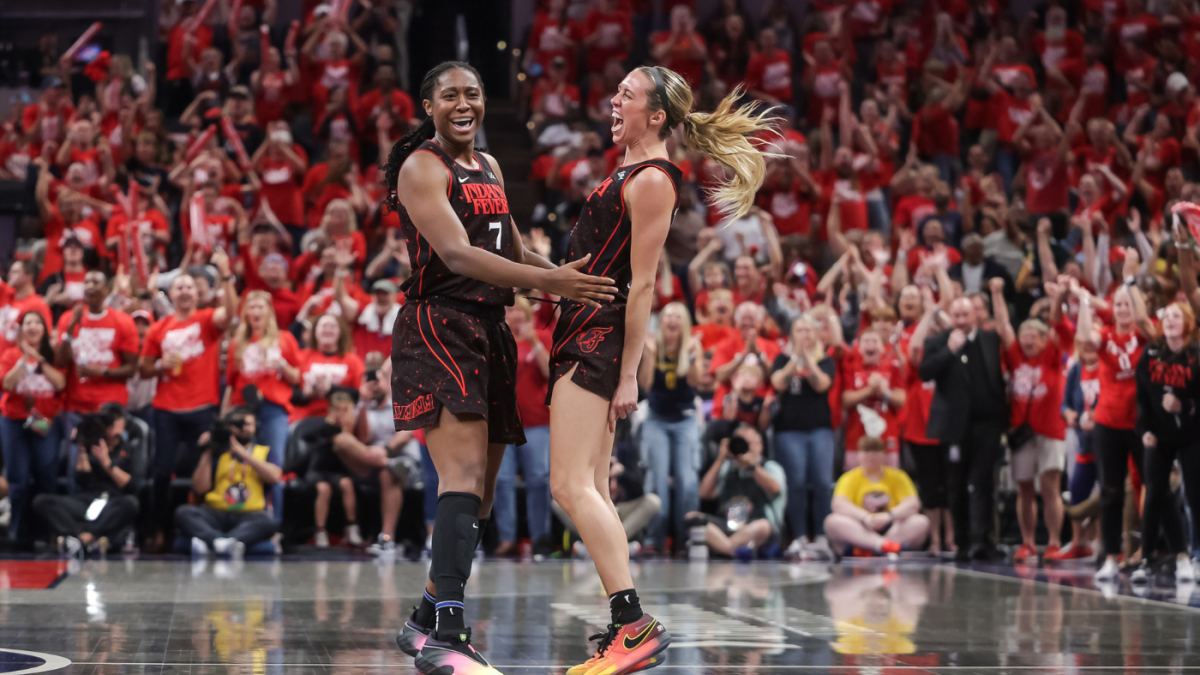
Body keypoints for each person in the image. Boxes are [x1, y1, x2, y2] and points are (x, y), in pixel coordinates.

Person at [381, 61, 616, 673]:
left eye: (474, 94)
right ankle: (448, 636)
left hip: (489, 331)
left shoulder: (488, 166)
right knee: (460, 479)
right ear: (428, 107)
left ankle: (424, 619)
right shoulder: (421, 167)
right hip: (440, 325)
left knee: (481, 494)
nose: (464, 104)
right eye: (450, 96)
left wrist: (573, 284)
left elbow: (507, 249)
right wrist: (548, 280)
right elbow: (458, 253)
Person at [547, 64, 774, 675]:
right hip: (582, 332)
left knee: (568, 485)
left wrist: (629, 374)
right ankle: (625, 627)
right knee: (591, 489)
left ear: (656, 117)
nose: (613, 99)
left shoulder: (652, 179)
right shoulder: (627, 172)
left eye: (628, 93)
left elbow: (642, 285)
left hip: (597, 342)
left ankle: (632, 624)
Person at [1077, 249, 1168, 581]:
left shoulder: (1145, 333)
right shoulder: (1108, 337)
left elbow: (1144, 317)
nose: (1122, 309)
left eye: (1127, 304)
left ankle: (1148, 555)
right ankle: (1112, 557)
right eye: (1117, 305)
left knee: (1151, 485)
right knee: (1111, 491)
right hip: (1108, 423)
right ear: (1110, 310)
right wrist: (1086, 303)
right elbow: (1085, 337)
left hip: (1141, 423)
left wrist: (1129, 281)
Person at [139, 248, 236, 544]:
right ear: (170, 292)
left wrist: (226, 275)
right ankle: (160, 529)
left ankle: (199, 529)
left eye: (189, 287)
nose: (183, 291)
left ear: (197, 294)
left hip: (202, 406)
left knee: (205, 470)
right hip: (167, 407)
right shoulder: (159, 328)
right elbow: (143, 369)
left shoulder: (207, 320)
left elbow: (230, 313)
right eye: (178, 286)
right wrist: (158, 365)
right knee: (161, 471)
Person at [919, 296, 1007, 561]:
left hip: (987, 424)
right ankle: (962, 541)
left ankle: (985, 542)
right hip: (955, 428)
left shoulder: (990, 340)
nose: (960, 321)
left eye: (965, 315)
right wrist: (949, 350)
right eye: (955, 316)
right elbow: (925, 372)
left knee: (983, 483)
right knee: (956, 484)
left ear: (975, 316)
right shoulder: (938, 341)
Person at [991, 277, 1068, 563]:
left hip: (1050, 431)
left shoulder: (1051, 354)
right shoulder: (1016, 357)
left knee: (1050, 488)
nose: (1026, 340)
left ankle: (1054, 542)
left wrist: (1058, 298)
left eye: (1033, 335)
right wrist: (997, 292)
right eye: (1024, 335)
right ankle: (1027, 543)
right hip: (1022, 434)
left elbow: (1058, 325)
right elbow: (1003, 325)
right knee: (1024, 488)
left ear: (1043, 339)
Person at [1132, 301, 1200, 584]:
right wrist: (1144, 429)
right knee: (1155, 493)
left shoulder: (1196, 355)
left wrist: (1182, 406)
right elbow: (1142, 396)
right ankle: (1146, 559)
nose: (1171, 320)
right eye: (1167, 316)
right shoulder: (1150, 353)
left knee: (1195, 495)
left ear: (1187, 323)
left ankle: (1194, 556)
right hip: (1158, 433)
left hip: (1192, 434)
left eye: (1177, 316)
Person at [224, 290, 301, 521]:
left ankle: (273, 527)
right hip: (243, 410)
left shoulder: (285, 339)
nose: (256, 311)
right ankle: (246, 521)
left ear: (270, 312)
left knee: (273, 467)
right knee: (246, 466)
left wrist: (283, 365)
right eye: (251, 307)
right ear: (245, 313)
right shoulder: (237, 343)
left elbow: (297, 377)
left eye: (260, 307)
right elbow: (230, 384)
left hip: (273, 409)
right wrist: (224, 418)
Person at [33, 405, 144, 557]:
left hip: (113, 502)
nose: (115, 423)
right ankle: (83, 537)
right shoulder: (92, 442)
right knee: (41, 501)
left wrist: (107, 464)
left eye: (118, 419)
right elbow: (82, 481)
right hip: (87, 501)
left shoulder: (130, 448)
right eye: (111, 420)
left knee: (131, 504)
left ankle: (85, 536)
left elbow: (132, 486)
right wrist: (82, 451)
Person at [636, 301, 701, 557]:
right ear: (662, 322)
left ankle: (686, 539)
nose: (672, 320)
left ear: (684, 323)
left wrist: (693, 355)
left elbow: (697, 382)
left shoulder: (692, 345)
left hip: (685, 419)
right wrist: (650, 354)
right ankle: (655, 539)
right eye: (668, 316)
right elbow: (645, 386)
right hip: (657, 419)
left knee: (688, 480)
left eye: (677, 316)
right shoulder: (653, 345)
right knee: (657, 480)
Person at [175, 407, 281, 558]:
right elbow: (199, 488)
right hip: (217, 512)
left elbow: (274, 477)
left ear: (255, 427)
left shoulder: (264, 451)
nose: (245, 428)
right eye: (239, 423)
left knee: (269, 522)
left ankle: (213, 542)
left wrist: (242, 452)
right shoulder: (218, 452)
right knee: (183, 512)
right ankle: (221, 542)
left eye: (249, 424)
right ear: (229, 427)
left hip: (249, 514)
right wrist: (208, 450)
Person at [771, 315, 836, 560]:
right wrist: (794, 360)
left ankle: (821, 536)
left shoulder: (826, 359)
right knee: (795, 484)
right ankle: (798, 537)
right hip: (788, 430)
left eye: (809, 330)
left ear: (817, 335)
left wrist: (808, 359)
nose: (804, 335)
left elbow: (822, 385)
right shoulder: (782, 358)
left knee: (821, 483)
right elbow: (778, 383)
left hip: (819, 428)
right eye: (799, 330)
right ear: (792, 335)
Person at [493, 296, 553, 557]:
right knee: (502, 481)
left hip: (536, 422)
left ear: (529, 314)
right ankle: (507, 539)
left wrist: (534, 342)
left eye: (520, 310)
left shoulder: (543, 336)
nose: (515, 315)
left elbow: (552, 374)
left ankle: (540, 537)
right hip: (504, 422)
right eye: (510, 310)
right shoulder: (496, 338)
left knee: (539, 479)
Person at [0, 311, 67, 541]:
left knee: (46, 476)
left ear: (44, 329)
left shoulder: (54, 355)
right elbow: (7, 384)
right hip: (14, 420)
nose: (32, 326)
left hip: (45, 422)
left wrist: (38, 359)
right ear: (20, 330)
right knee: (17, 479)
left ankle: (45, 534)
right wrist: (23, 358)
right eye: (27, 323)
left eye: (37, 322)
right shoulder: (9, 354)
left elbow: (60, 383)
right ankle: (17, 534)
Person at [305, 387, 391, 548]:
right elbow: (312, 438)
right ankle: (320, 531)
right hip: (318, 471)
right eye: (338, 410)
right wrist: (335, 422)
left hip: (339, 473)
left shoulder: (351, 429)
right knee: (324, 489)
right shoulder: (326, 429)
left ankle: (352, 526)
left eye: (346, 410)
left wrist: (360, 411)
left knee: (347, 484)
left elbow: (362, 437)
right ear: (331, 410)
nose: (342, 414)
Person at [689, 423, 786, 559]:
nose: (743, 448)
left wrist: (751, 466)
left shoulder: (770, 467)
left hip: (755, 525)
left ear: (760, 445)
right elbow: (704, 493)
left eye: (748, 443)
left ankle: (723, 548)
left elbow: (775, 489)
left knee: (763, 526)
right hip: (730, 526)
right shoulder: (728, 467)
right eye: (740, 442)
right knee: (693, 518)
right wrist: (720, 459)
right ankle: (735, 551)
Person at [824, 436, 930, 556]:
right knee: (832, 521)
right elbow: (838, 504)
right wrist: (865, 517)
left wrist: (889, 516)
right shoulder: (849, 478)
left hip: (892, 526)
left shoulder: (898, 476)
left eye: (875, 451)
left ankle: (871, 547)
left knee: (921, 521)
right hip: (861, 525)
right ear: (858, 455)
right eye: (866, 451)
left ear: (884, 455)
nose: (871, 455)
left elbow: (913, 504)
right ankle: (883, 546)